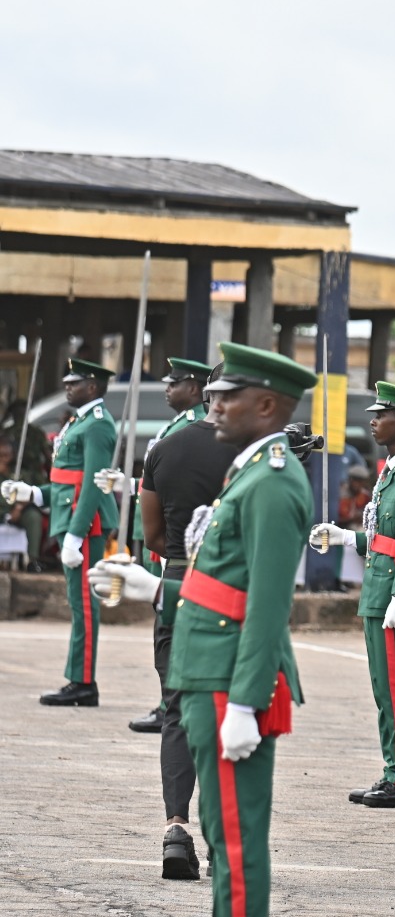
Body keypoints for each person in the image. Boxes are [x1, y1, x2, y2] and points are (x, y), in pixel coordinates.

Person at [94, 342, 316, 917]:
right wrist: (156, 587)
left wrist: (246, 703)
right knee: (221, 835)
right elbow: (223, 583)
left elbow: (268, 603)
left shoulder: (272, 481)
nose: (212, 403)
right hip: (208, 672)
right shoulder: (248, 471)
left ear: (267, 405)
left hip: (229, 683)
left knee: (237, 847)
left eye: (228, 395)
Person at [101, 363, 236, 878]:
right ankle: (223, 839)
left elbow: (153, 535)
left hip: (176, 584)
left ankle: (176, 828)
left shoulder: (165, 447)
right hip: (228, 589)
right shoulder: (254, 457)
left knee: (178, 712)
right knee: (227, 712)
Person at [310, 382, 395, 810]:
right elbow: (385, 537)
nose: (372, 421)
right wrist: (347, 537)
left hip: (393, 595)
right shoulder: (393, 468)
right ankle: (392, 771)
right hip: (377, 590)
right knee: (383, 689)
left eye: (380, 415)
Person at [3, 357, 117, 706]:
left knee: (84, 604)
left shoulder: (97, 424)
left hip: (84, 527)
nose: (68, 386)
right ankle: (77, 678)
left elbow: (93, 486)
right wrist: (33, 493)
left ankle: (84, 683)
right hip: (72, 521)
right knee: (77, 603)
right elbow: (68, 483)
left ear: (93, 387)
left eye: (75, 382)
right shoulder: (81, 421)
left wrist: (74, 535)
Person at [124, 356, 215, 734]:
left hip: (185, 545)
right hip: (167, 539)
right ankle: (169, 703)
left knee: (178, 626)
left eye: (174, 383)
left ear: (195, 389)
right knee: (168, 627)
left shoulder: (195, 427)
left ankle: (170, 706)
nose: (167, 389)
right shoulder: (178, 426)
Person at [0, 438, 44, 570]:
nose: (2, 459)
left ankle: (32, 559)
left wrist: (19, 508)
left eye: (5, 455)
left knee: (33, 516)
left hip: (16, 512)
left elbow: (29, 493)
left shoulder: (20, 472)